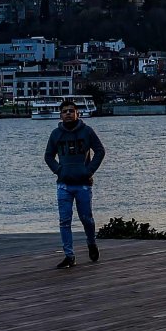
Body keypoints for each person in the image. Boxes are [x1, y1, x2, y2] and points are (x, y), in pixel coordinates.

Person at [43, 99, 105, 268]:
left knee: (87, 219)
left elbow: (100, 151)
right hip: (64, 184)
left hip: (83, 183)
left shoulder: (87, 131)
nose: (68, 113)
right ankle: (69, 255)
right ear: (60, 115)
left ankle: (91, 243)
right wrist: (58, 170)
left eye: (71, 111)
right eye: (65, 111)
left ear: (78, 113)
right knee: (64, 220)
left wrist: (89, 170)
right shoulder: (56, 134)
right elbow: (48, 156)